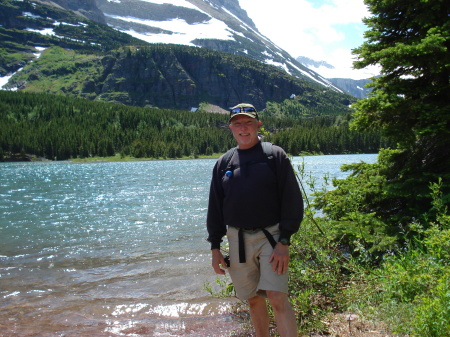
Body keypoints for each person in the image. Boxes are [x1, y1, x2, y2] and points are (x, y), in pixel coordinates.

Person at [206, 103, 304, 337]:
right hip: (237, 240)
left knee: (277, 297)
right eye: (237, 124)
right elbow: (215, 208)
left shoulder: (274, 155)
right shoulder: (224, 163)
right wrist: (215, 247)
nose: (243, 128)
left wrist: (284, 241)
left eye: (248, 123)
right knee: (252, 300)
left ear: (258, 125)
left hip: (271, 237)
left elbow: (292, 200)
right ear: (230, 128)